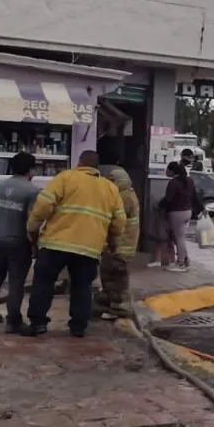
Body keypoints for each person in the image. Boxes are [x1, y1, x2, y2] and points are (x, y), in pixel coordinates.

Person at [22, 151, 126, 338]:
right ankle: (78, 327)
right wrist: (113, 244)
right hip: (89, 248)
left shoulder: (65, 178)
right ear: (97, 167)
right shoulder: (111, 189)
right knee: (82, 287)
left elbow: (43, 205)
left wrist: (32, 230)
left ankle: (37, 323)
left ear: (79, 163)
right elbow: (119, 222)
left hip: (55, 243)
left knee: (43, 283)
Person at [0, 152, 39, 331]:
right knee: (16, 282)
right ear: (30, 170)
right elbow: (32, 222)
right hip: (19, 242)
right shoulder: (32, 191)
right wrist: (35, 244)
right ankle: (13, 321)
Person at [94, 136, 141, 320]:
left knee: (115, 276)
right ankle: (112, 302)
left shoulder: (122, 196)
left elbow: (115, 221)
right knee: (111, 274)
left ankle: (120, 307)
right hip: (121, 245)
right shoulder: (127, 192)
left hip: (119, 246)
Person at [160, 160, 200, 273]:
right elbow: (195, 197)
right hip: (188, 212)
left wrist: (160, 205)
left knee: (179, 238)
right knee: (180, 237)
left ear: (172, 171)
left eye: (167, 169)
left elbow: (168, 199)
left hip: (176, 213)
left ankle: (180, 263)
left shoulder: (173, 182)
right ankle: (185, 260)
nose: (166, 172)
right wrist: (201, 210)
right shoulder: (189, 180)